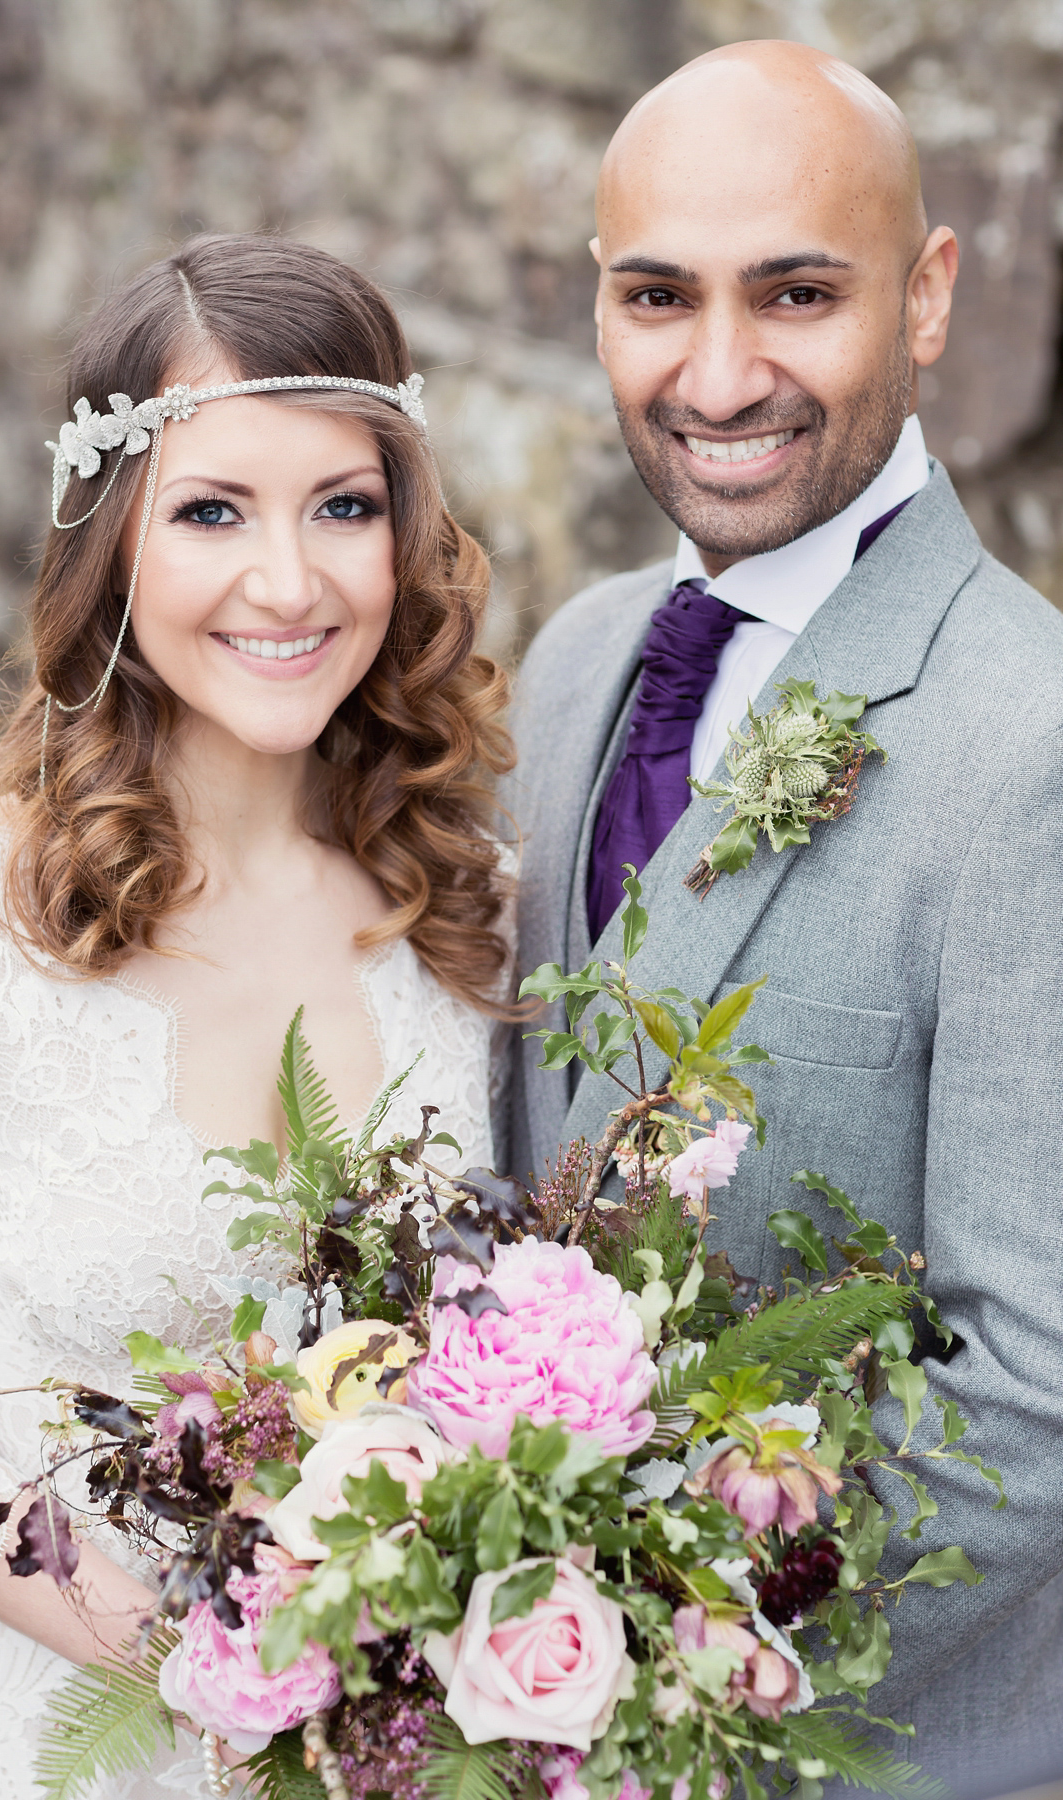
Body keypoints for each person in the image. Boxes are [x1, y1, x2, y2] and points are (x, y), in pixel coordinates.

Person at [0, 233, 513, 1798]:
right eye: (212, 510)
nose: (287, 583)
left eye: (343, 509)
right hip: (69, 1751)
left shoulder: (474, 904)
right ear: (113, 547)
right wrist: (198, 1657)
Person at [506, 40, 1063, 1798]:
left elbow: (1035, 1396)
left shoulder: (1033, 745)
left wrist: (655, 1683)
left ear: (925, 298)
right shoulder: (581, 656)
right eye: (658, 296)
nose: (720, 372)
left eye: (798, 293)